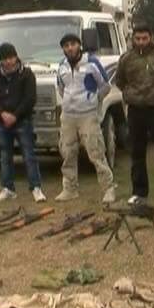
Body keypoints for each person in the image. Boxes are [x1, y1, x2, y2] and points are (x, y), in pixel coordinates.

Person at [115, 23, 154, 206]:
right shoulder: (126, 59)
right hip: (135, 110)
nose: (141, 42)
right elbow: (120, 81)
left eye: (145, 38)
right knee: (136, 152)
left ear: (151, 37)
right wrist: (130, 94)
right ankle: (139, 192)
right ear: (133, 39)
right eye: (138, 38)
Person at [54, 33, 116, 204]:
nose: (70, 48)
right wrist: (68, 102)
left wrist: (93, 101)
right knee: (67, 152)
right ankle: (70, 188)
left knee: (95, 152)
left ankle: (108, 188)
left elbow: (105, 86)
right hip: (68, 116)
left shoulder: (91, 63)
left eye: (73, 44)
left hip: (87, 115)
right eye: (66, 46)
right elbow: (60, 87)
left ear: (79, 45)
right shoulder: (62, 66)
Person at [0, 43, 46, 203]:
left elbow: (30, 98)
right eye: (5, 59)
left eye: (11, 57)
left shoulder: (26, 74)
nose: (8, 61)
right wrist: (2, 113)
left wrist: (15, 115)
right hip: (2, 123)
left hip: (23, 121)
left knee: (29, 155)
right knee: (5, 156)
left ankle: (36, 187)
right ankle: (8, 188)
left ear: (16, 56)